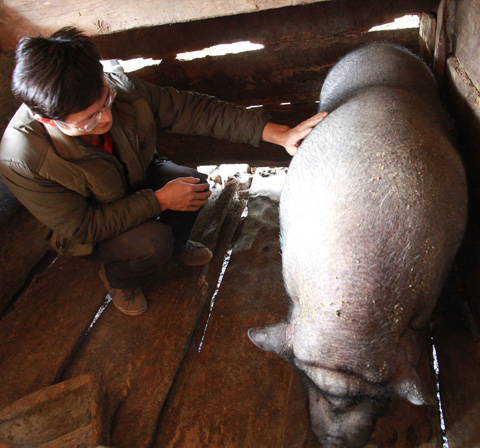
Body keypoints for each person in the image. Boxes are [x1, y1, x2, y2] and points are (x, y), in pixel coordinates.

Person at [0, 27, 327, 316]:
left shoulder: (119, 88)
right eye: (88, 120)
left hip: (136, 174)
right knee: (152, 242)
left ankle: (176, 244)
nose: (105, 119)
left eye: (105, 101)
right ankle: (120, 279)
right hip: (90, 224)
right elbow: (83, 227)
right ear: (48, 120)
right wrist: (158, 201)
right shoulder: (23, 158)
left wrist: (279, 134)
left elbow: (193, 110)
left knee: (195, 185)